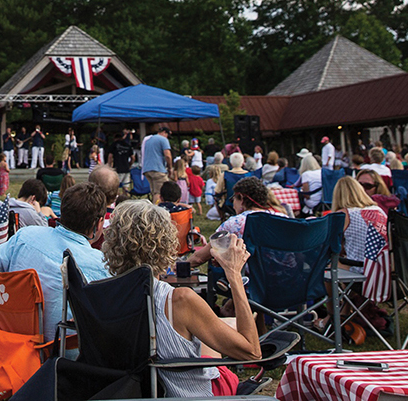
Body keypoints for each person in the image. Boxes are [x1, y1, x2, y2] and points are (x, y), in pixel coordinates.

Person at [104, 200, 260, 396]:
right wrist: (234, 275)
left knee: (212, 330)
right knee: (216, 341)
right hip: (187, 393)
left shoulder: (101, 294)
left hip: (127, 391)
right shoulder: (179, 301)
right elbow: (252, 352)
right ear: (167, 246)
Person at [0, 183, 110, 342]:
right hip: (63, 351)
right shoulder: (100, 266)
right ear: (99, 223)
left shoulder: (25, 236)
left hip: (11, 337)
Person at [332, 176, 388, 269]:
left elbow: (332, 246)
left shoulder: (343, 214)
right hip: (382, 267)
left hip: (359, 267)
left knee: (327, 267)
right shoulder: (378, 210)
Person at [219, 177, 288, 236]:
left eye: (232, 199)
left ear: (241, 197)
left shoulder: (233, 223)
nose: (233, 206)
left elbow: (211, 248)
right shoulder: (283, 219)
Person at [142, 126, 172, 204]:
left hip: (147, 169)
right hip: (158, 169)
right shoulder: (163, 139)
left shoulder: (148, 140)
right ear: (165, 133)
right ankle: (156, 211)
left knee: (154, 192)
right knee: (159, 192)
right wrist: (170, 168)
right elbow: (168, 155)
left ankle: (153, 207)